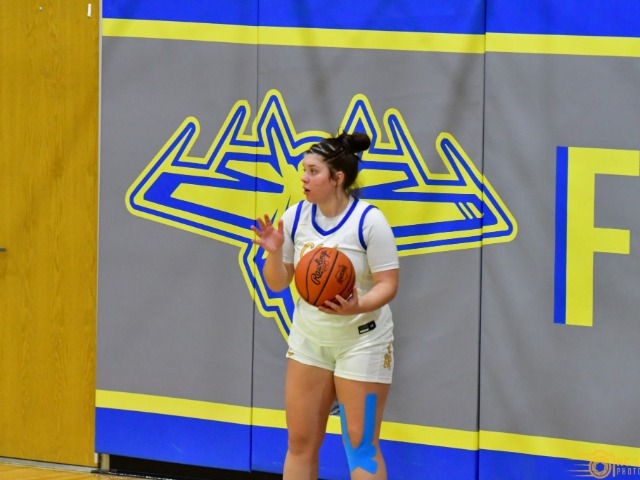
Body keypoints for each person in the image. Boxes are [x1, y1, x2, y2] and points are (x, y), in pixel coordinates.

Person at [251, 131, 399, 480]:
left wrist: (357, 305)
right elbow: (277, 283)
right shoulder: (295, 217)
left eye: (313, 171)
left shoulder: (370, 221)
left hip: (363, 342)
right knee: (300, 442)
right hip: (310, 341)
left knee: (361, 446)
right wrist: (274, 252)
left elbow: (388, 284)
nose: (303, 177)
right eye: (303, 170)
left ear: (338, 178)